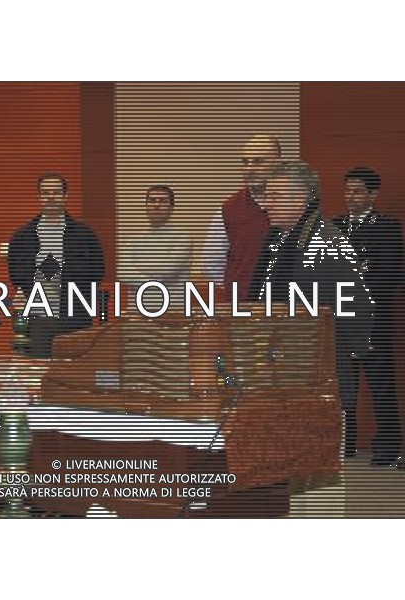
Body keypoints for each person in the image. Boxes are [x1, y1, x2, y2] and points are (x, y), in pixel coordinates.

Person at [248, 160, 375, 459]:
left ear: (300, 198)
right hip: (279, 371)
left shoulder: (328, 242)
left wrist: (335, 364)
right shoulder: (276, 240)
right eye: (266, 195)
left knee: (313, 472)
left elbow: (358, 309)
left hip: (315, 378)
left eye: (275, 195)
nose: (266, 204)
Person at [332, 167, 403, 465]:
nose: (350, 197)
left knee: (380, 386)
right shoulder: (334, 226)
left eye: (358, 191)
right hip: (337, 319)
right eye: (347, 191)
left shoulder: (386, 227)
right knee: (341, 388)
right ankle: (343, 445)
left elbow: (390, 274)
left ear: (373, 195)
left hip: (372, 319)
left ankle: (387, 448)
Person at [7, 173, 105, 358]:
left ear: (65, 196)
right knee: (39, 368)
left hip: (75, 315)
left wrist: (65, 269)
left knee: (75, 370)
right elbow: (16, 274)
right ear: (39, 196)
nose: (51, 197)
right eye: (46, 193)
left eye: (56, 192)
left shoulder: (85, 235)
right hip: (38, 318)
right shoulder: (23, 236)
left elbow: (97, 272)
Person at [202, 134, 281, 298]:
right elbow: (211, 262)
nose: (249, 169)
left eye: (258, 162)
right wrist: (237, 289)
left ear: (277, 165)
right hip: (244, 305)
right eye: (245, 162)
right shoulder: (228, 210)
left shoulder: (296, 206)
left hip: (289, 303)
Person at [119, 185, 192, 313]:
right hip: (137, 311)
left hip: (172, 312)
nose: (156, 205)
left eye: (162, 201)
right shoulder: (133, 239)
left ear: (171, 207)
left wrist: (138, 268)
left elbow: (165, 271)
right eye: (152, 201)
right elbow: (123, 273)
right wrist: (153, 280)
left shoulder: (182, 238)